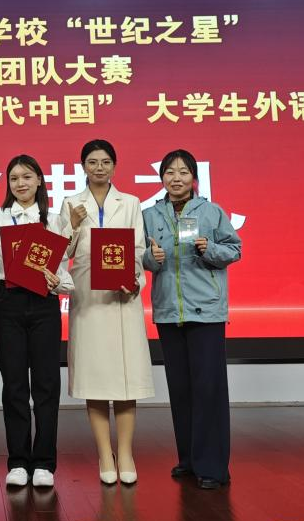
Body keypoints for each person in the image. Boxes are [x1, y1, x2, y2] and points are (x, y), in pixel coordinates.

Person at [0, 154, 74, 489]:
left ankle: (44, 462)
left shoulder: (54, 220)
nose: (20, 183)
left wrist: (57, 282)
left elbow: (63, 273)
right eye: (14, 178)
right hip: (8, 302)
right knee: (13, 384)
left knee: (46, 383)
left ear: (39, 180)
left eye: (27, 177)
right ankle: (17, 462)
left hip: (43, 303)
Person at [142, 149, 241, 490]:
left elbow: (235, 250)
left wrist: (208, 248)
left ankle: (212, 467)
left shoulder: (211, 211)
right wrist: (150, 257)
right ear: (162, 178)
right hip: (168, 312)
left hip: (206, 312)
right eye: (170, 172)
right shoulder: (149, 215)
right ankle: (188, 459)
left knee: (208, 390)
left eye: (183, 172)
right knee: (181, 389)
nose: (176, 178)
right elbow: (140, 258)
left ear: (194, 177)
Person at [57, 140, 153, 485]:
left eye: (106, 162)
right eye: (92, 162)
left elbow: (138, 249)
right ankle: (103, 453)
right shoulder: (71, 203)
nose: (99, 167)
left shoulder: (131, 202)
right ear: (83, 166)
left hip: (122, 295)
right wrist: (71, 224)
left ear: (114, 165)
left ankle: (125, 452)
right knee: (95, 376)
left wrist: (134, 280)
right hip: (88, 295)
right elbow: (61, 252)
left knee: (126, 377)